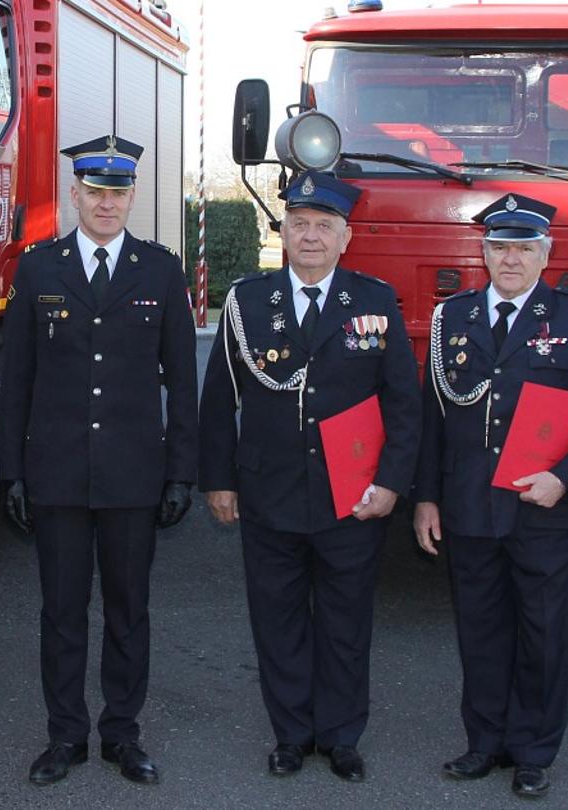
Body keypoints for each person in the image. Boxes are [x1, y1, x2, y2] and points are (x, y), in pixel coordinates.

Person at [198, 171, 423, 782]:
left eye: (325, 226)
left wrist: (392, 483)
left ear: (346, 237)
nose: (312, 236)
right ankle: (292, 735)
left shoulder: (373, 302)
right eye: (300, 224)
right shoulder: (247, 302)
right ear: (284, 232)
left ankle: (342, 737)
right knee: (278, 621)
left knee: (347, 623)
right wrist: (218, 480)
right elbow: (218, 400)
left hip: (353, 496)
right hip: (268, 492)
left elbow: (403, 403)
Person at [0, 135, 198, 786]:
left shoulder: (159, 271)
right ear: (74, 196)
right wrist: (13, 472)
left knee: (127, 611)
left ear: (132, 197)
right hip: (57, 473)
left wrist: (180, 472)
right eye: (94, 193)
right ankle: (65, 736)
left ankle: (121, 733)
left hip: (133, 475)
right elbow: (17, 380)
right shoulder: (39, 269)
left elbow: (182, 382)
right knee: (61, 613)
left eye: (117, 193)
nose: (106, 204)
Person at [410, 194, 568, 798]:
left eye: (524, 248)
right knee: (480, 630)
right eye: (500, 247)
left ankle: (533, 751)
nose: (510, 259)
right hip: (470, 504)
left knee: (544, 633)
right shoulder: (454, 317)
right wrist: (427, 498)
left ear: (545, 255)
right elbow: (433, 417)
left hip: (543, 507)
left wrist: (565, 478)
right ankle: (484, 742)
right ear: (483, 253)